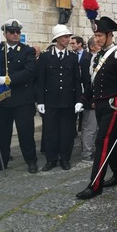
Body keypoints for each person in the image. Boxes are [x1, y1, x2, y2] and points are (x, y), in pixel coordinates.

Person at [76, 16, 117, 199]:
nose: (97, 39)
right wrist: (84, 99)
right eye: (95, 35)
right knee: (112, 141)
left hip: (114, 106)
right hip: (100, 105)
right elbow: (93, 84)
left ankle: (95, 185)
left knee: (102, 142)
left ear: (110, 35)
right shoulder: (97, 57)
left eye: (100, 35)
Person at [0, 19, 38, 175]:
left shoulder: (27, 50)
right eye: (12, 32)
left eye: (18, 32)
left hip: (22, 99)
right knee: (2, 134)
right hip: (2, 99)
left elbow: (29, 71)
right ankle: (1, 161)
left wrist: (8, 79)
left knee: (25, 133)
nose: (16, 35)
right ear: (5, 33)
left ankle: (31, 161)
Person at [36, 24, 83, 171]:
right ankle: (51, 159)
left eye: (68, 36)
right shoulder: (45, 57)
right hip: (51, 101)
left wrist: (78, 100)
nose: (67, 39)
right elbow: (40, 80)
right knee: (50, 132)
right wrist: (40, 101)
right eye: (64, 37)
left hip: (68, 102)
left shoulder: (73, 58)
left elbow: (77, 80)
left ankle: (65, 159)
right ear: (57, 39)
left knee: (67, 132)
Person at [79, 37, 100, 162]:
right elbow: (88, 82)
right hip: (90, 98)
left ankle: (92, 149)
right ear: (92, 47)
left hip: (98, 98)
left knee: (96, 127)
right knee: (90, 127)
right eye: (97, 43)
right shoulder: (87, 59)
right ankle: (87, 152)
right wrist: (92, 99)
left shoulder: (98, 58)